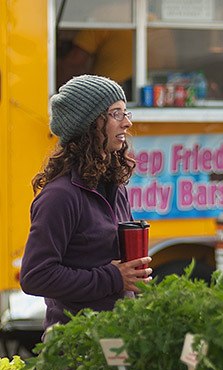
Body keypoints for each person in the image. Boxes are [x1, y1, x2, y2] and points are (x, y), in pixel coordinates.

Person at [20, 75, 152, 330]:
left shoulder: (115, 188)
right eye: (116, 113)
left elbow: (119, 269)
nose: (127, 123)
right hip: (75, 346)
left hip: (118, 337)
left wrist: (134, 281)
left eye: (126, 112)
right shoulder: (60, 196)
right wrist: (114, 277)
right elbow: (35, 276)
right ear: (90, 124)